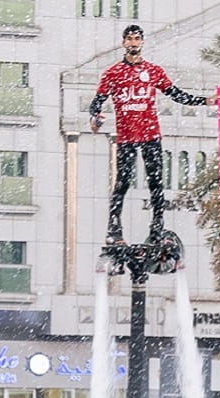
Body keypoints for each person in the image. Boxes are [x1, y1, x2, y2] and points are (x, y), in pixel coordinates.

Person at [90, 25, 209, 243]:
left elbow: (177, 95)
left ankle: (156, 228)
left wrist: (205, 101)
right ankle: (114, 229)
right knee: (122, 182)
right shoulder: (112, 73)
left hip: (150, 135)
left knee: (156, 183)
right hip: (126, 136)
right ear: (123, 42)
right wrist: (95, 119)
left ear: (142, 42)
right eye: (129, 39)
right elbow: (96, 103)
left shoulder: (153, 71)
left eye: (137, 39)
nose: (133, 43)